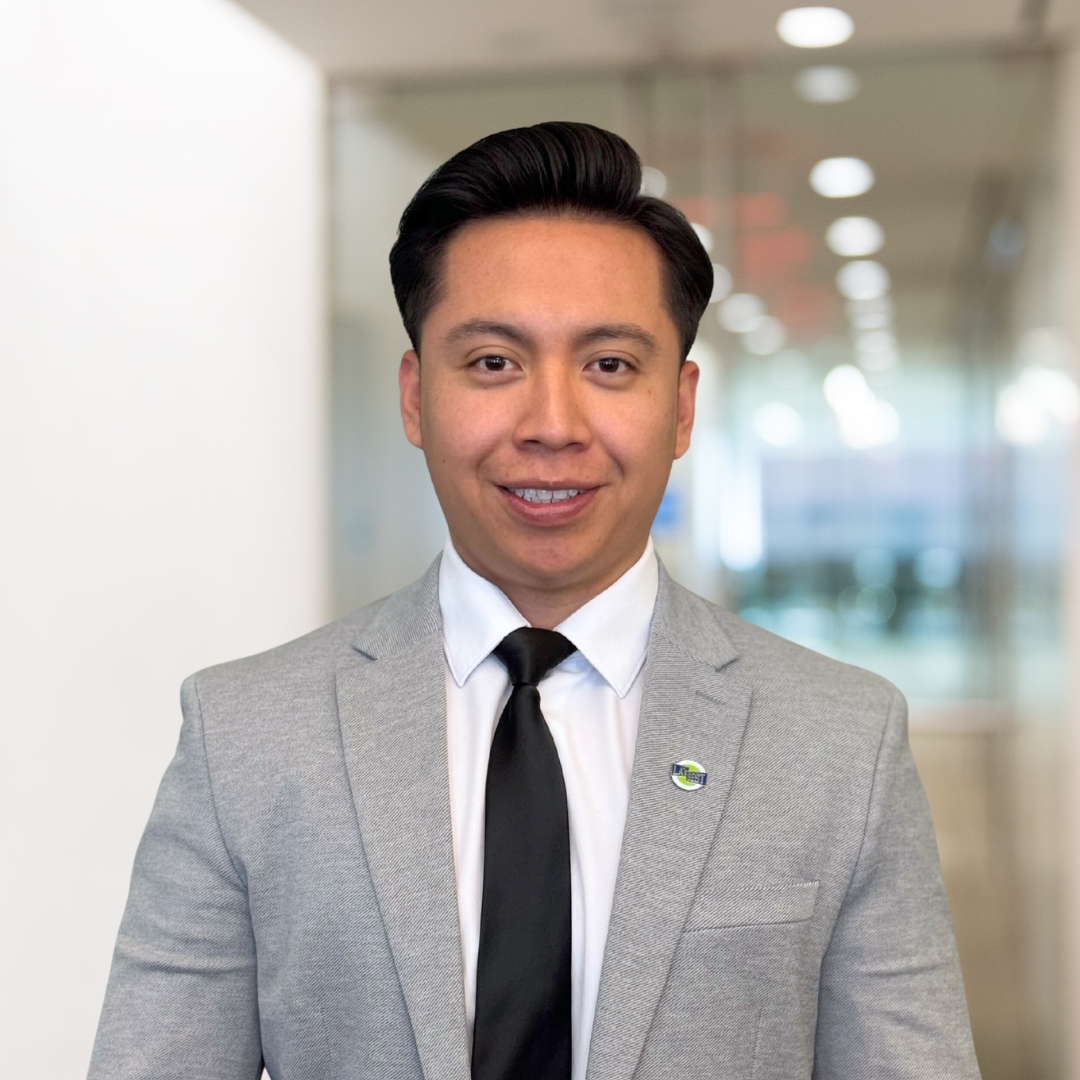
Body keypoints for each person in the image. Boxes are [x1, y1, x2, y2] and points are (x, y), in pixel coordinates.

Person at [89, 122, 980, 1080]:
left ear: (681, 406)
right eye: (493, 363)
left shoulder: (840, 741)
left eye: (609, 365)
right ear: (415, 397)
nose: (552, 426)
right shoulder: (246, 737)